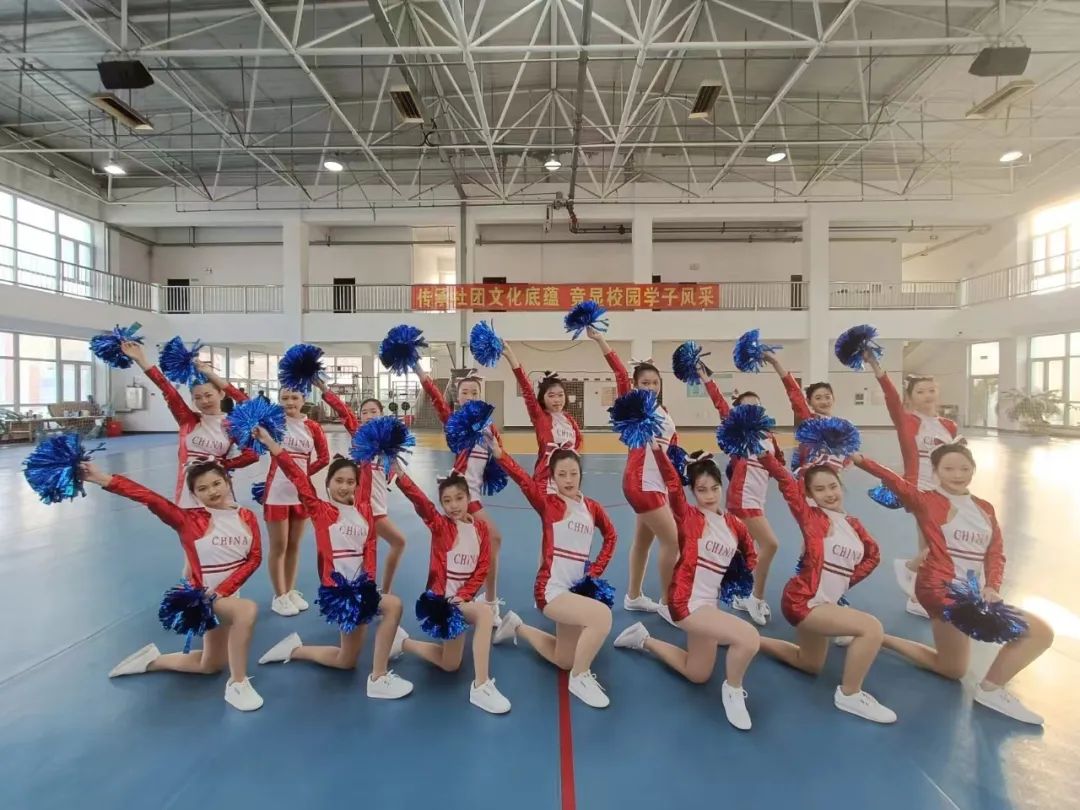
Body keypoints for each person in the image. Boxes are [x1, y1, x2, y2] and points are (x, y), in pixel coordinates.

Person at [854, 445, 1053, 724]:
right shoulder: (927, 501)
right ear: (935, 472)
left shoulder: (985, 508)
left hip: (969, 592)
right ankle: (991, 690)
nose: (958, 474)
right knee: (1040, 633)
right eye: (948, 468)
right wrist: (860, 460)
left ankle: (876, 637)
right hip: (940, 589)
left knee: (952, 669)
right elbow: (896, 482)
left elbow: (995, 552)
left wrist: (992, 587)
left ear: (973, 470)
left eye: (964, 468)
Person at [80, 459, 263, 712]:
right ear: (194, 494)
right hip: (202, 599)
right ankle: (237, 683)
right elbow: (150, 498)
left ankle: (151, 661)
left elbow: (254, 557)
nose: (212, 491)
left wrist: (224, 590)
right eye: (203, 488)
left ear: (227, 481)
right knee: (247, 611)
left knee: (210, 665)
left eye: (216, 483)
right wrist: (102, 478)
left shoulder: (246, 516)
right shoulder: (187, 520)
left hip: (225, 595)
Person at [254, 427, 413, 700]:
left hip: (362, 589)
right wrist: (270, 443)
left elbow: (369, 549)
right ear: (328, 483)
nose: (344, 486)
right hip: (341, 594)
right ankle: (376, 678)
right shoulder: (321, 510)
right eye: (338, 480)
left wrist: (378, 445)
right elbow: (296, 474)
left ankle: (296, 650)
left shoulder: (364, 510)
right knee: (385, 614)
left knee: (348, 657)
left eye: (350, 482)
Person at [614, 443, 761, 730]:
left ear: (722, 487)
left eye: (714, 488)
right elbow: (672, 484)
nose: (709, 495)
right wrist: (659, 453)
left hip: (708, 605)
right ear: (693, 491)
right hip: (685, 602)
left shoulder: (735, 525)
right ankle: (733, 690)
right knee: (749, 638)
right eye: (701, 490)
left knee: (697, 673)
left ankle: (642, 639)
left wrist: (735, 574)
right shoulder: (688, 516)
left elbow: (750, 557)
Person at [756, 452, 897, 724]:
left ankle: (753, 640)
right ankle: (850, 694)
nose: (829, 494)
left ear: (841, 486)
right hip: (804, 601)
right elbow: (786, 483)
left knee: (809, 664)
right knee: (871, 628)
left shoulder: (853, 524)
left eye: (833, 486)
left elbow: (873, 556)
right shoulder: (811, 517)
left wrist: (844, 582)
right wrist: (765, 455)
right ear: (810, 495)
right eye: (819, 489)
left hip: (825, 603)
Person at [489, 438, 617, 708]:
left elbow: (611, 536)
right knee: (602, 617)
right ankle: (580, 678)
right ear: (553, 478)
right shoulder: (549, 504)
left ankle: (517, 627)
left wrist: (594, 572)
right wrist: (501, 456)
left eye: (573, 473)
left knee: (564, 658)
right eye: (562, 474)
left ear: (581, 474)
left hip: (574, 592)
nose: (568, 480)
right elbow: (524, 481)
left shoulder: (592, 508)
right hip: (551, 591)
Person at [393, 467, 511, 714]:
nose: (454, 505)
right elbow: (422, 502)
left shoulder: (481, 529)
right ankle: (480, 686)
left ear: (469, 498)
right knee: (476, 626)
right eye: (447, 501)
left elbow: (482, 567)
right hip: (442, 604)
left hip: (461, 601)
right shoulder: (440, 526)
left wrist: (464, 595)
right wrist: (401, 476)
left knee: (452, 660)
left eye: (459, 498)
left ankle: (402, 642)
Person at [861, 351, 960, 619]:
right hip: (920, 491)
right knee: (939, 544)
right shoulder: (907, 421)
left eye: (931, 390)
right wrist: (876, 366)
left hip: (946, 493)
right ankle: (911, 573)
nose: (927, 395)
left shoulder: (949, 426)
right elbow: (892, 398)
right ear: (911, 397)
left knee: (931, 546)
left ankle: (919, 593)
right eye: (921, 392)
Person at [587, 327, 677, 617]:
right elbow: (619, 373)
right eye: (644, 383)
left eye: (655, 382)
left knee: (643, 542)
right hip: (641, 483)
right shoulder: (636, 409)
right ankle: (668, 604)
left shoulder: (664, 411)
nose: (650, 387)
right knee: (673, 542)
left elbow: (671, 449)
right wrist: (601, 340)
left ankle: (634, 596)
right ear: (635, 386)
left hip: (657, 484)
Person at [415, 363, 504, 622]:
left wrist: (499, 454)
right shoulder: (455, 422)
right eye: (465, 392)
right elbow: (436, 399)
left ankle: (462, 597)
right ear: (458, 396)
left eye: (474, 393)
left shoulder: (489, 427)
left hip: (475, 493)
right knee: (493, 539)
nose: (470, 397)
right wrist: (420, 372)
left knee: (472, 548)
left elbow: (498, 457)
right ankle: (488, 601)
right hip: (463, 495)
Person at [119, 342, 257, 508]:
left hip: (219, 492)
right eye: (197, 398)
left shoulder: (233, 425)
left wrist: (223, 465)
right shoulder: (188, 420)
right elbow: (167, 389)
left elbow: (252, 455)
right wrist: (141, 360)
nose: (204, 401)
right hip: (188, 493)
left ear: (221, 394)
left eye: (208, 395)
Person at [699, 367, 784, 626]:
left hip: (758, 499)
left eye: (756, 405)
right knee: (770, 545)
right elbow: (720, 404)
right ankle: (755, 598)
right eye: (747, 405)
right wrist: (706, 378)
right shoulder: (738, 433)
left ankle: (739, 594)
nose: (753, 408)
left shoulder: (769, 436)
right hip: (742, 500)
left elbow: (778, 465)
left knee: (743, 551)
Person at [314, 380, 407, 593]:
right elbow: (344, 413)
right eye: (364, 412)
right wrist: (325, 390)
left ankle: (367, 591)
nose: (368, 415)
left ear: (382, 414)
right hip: (367, 510)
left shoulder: (388, 448)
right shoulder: (361, 439)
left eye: (373, 411)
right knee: (395, 543)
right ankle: (381, 592)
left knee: (368, 551)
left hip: (379, 506)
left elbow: (392, 473)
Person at [262, 385, 329, 617]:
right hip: (277, 492)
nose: (289, 402)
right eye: (284, 398)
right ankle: (279, 596)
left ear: (303, 399)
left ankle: (289, 591)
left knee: (294, 545)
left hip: (302, 493)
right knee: (279, 546)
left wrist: (303, 475)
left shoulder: (313, 427)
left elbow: (324, 458)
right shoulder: (273, 423)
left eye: (294, 397)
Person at [500, 343, 582, 485]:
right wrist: (511, 356)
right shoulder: (540, 417)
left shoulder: (570, 420)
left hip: (567, 482)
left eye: (560, 395)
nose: (557, 400)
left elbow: (577, 444)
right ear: (542, 398)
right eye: (551, 395)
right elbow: (526, 388)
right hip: (545, 482)